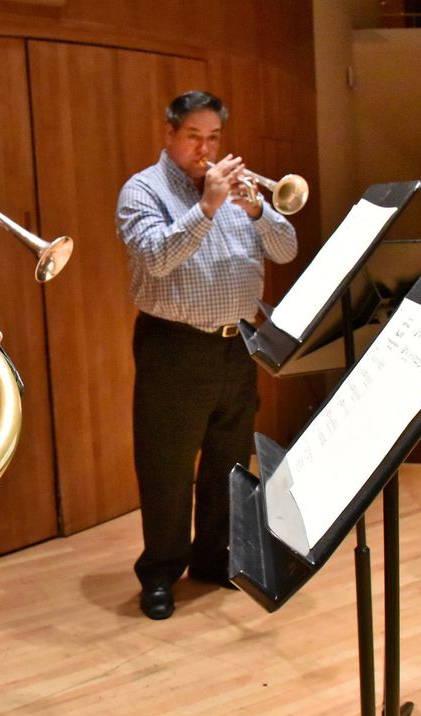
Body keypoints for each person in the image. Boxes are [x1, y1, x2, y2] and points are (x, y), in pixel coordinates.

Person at [115, 90, 298, 620]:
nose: (205, 148)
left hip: (238, 343)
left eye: (213, 137)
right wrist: (206, 208)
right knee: (167, 467)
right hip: (174, 346)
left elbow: (285, 250)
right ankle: (160, 571)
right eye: (194, 136)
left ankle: (213, 560)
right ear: (169, 134)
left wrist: (259, 210)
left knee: (230, 460)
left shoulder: (238, 193)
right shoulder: (143, 191)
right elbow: (156, 259)